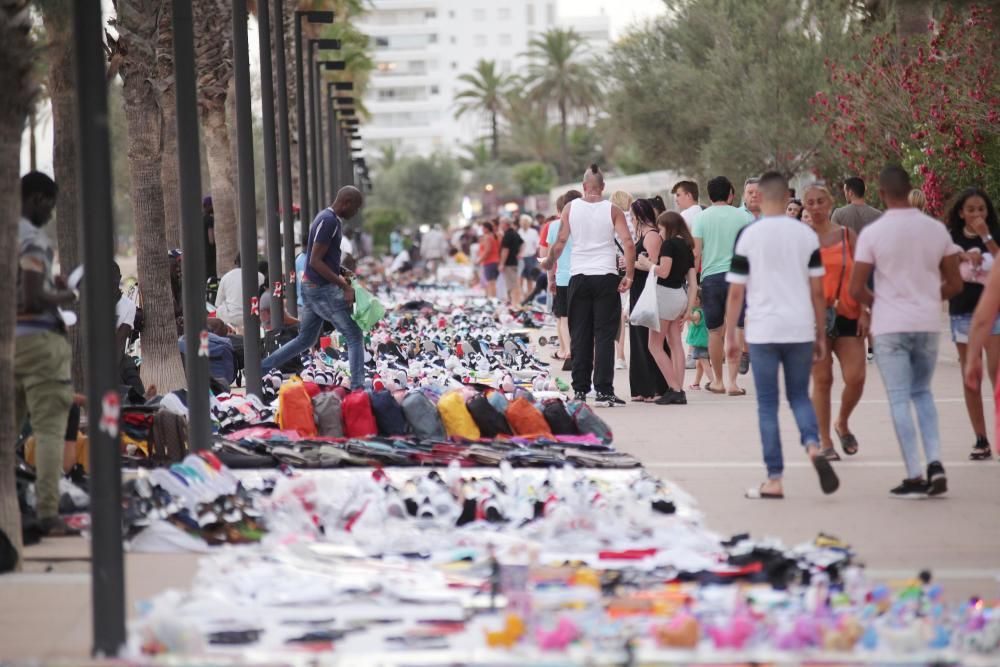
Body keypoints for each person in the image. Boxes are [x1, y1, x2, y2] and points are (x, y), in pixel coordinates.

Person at [848, 165, 963, 498]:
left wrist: (880, 304)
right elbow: (955, 283)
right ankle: (936, 462)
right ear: (910, 188)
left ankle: (914, 472)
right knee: (923, 393)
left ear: (881, 194)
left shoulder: (874, 233)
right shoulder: (936, 230)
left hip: (890, 326)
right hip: (925, 323)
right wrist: (927, 299)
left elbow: (856, 288)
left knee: (899, 397)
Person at [724, 171, 838, 500]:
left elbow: (735, 293)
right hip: (800, 327)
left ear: (759, 195)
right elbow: (818, 291)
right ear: (788, 196)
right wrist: (819, 332)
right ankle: (814, 446)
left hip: (762, 330)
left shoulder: (749, 235)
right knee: (800, 397)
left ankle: (774, 479)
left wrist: (731, 335)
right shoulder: (805, 236)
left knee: (767, 405)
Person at [15, 172, 78, 536]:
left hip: (8, 344)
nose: (51, 215)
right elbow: (32, 298)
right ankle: (47, 514)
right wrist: (69, 296)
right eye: (49, 206)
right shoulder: (30, 237)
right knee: (50, 430)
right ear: (37, 199)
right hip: (39, 343)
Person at [543, 165, 635, 407]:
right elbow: (628, 242)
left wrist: (550, 267)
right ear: (603, 187)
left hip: (579, 276)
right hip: (606, 275)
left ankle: (581, 390)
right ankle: (604, 390)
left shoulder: (570, 208)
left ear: (584, 187)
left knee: (580, 335)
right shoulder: (612, 209)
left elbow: (561, 241)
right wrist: (630, 276)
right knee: (604, 335)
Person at [261, 186, 367, 389]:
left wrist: (341, 270)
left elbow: (321, 258)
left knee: (305, 339)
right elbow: (315, 261)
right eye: (356, 208)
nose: (356, 213)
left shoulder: (330, 220)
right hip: (320, 289)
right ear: (347, 203)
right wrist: (343, 285)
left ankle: (262, 368)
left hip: (314, 287)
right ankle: (358, 386)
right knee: (354, 335)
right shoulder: (328, 221)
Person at [803, 184, 869, 460]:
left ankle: (841, 422)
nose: (816, 207)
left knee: (856, 377)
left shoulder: (846, 235)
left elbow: (862, 273)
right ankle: (826, 441)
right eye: (811, 203)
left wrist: (865, 308)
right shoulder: (799, 239)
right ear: (805, 206)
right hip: (812, 319)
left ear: (830, 202)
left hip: (848, 313)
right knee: (823, 379)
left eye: (821, 201)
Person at [944, 188, 1000, 460]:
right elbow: (941, 267)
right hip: (962, 313)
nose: (977, 214)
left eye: (981, 209)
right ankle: (981, 438)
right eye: (971, 210)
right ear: (960, 212)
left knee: (996, 374)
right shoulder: (951, 238)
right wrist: (964, 257)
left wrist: (986, 236)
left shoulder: (995, 234)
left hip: (994, 314)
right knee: (971, 378)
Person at [692, 176, 752, 396]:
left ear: (709, 196)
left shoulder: (701, 218)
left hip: (712, 279)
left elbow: (696, 253)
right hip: (737, 277)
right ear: (731, 194)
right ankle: (734, 383)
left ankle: (718, 381)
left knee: (715, 332)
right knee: (735, 329)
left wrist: (693, 282)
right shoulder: (743, 217)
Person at [638, 211, 697, 405]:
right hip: (680, 296)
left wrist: (647, 263)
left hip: (665, 296)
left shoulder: (669, 245)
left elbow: (663, 272)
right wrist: (688, 309)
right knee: (675, 343)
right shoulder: (687, 247)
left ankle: (675, 388)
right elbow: (693, 283)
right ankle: (678, 388)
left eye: (661, 229)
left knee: (654, 345)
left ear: (669, 227)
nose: (660, 234)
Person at [627, 199, 668, 402]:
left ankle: (656, 386)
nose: (631, 219)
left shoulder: (651, 235)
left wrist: (632, 264)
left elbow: (653, 265)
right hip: (638, 289)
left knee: (647, 336)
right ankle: (642, 387)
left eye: (633, 215)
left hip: (647, 288)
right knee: (638, 337)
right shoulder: (641, 234)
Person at [546, 191, 581, 364]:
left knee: (564, 317)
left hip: (563, 278)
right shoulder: (584, 223)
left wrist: (550, 279)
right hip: (583, 276)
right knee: (581, 318)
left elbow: (551, 256)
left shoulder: (554, 226)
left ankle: (567, 351)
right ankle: (581, 352)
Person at [610, 190, 635, 370]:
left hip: (616, 268)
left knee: (618, 313)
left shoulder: (611, 220)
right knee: (634, 311)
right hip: (635, 267)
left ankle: (620, 355)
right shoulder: (635, 219)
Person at [214, 253, 264, 332]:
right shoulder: (260, 276)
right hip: (253, 317)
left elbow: (218, 303)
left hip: (231, 319)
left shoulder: (226, 276)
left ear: (236, 262)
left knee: (219, 308)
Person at [686, 289, 713, 389]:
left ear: (697, 300)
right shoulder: (704, 310)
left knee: (705, 364)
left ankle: (713, 382)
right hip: (704, 342)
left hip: (700, 343)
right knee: (699, 365)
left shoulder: (697, 312)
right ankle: (696, 384)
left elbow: (694, 318)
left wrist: (686, 315)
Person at [499, 218, 524, 305]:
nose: (500, 226)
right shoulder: (515, 233)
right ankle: (516, 302)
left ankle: (515, 303)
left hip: (509, 263)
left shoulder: (508, 235)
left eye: (501, 224)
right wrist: (520, 253)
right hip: (514, 262)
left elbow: (505, 250)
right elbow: (523, 243)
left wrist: (502, 263)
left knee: (512, 285)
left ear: (505, 224)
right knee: (515, 283)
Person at [518, 215, 540, 296]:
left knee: (530, 278)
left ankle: (529, 295)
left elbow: (538, 245)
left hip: (531, 257)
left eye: (526, 222)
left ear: (529, 223)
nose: (524, 224)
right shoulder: (518, 232)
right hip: (521, 258)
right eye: (523, 222)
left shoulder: (533, 232)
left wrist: (538, 255)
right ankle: (521, 295)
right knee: (520, 277)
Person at [478, 220, 500, 298]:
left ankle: (492, 298)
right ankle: (493, 298)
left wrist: (479, 260)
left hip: (489, 261)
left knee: (490, 282)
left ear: (486, 228)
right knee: (493, 282)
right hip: (496, 261)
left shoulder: (487, 237)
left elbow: (487, 250)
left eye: (483, 228)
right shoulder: (495, 236)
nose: (482, 230)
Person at [203, 195, 217, 279]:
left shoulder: (199, 218)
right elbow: (211, 239)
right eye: (212, 205)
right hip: (210, 253)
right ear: (208, 206)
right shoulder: (210, 220)